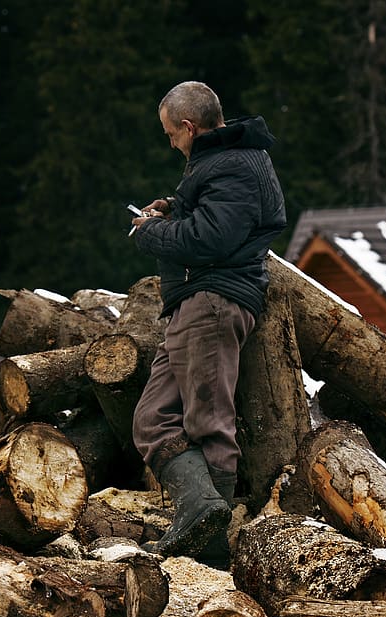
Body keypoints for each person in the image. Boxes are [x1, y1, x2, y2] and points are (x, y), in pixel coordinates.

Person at [129, 81, 287, 565]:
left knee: (208, 424)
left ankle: (214, 551)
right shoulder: (225, 160)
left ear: (190, 127)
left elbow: (212, 240)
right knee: (152, 418)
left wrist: (153, 232)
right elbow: (215, 219)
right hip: (193, 304)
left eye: (171, 134)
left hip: (212, 302)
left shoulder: (234, 164)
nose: (170, 143)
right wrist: (173, 209)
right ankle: (199, 513)